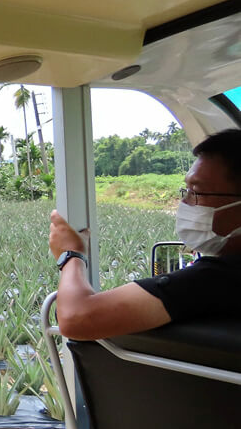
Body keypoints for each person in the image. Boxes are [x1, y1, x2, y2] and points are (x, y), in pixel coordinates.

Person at [49, 128, 241, 340]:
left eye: (196, 192)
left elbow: (77, 317)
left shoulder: (219, 279)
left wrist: (71, 255)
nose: (184, 202)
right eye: (185, 191)